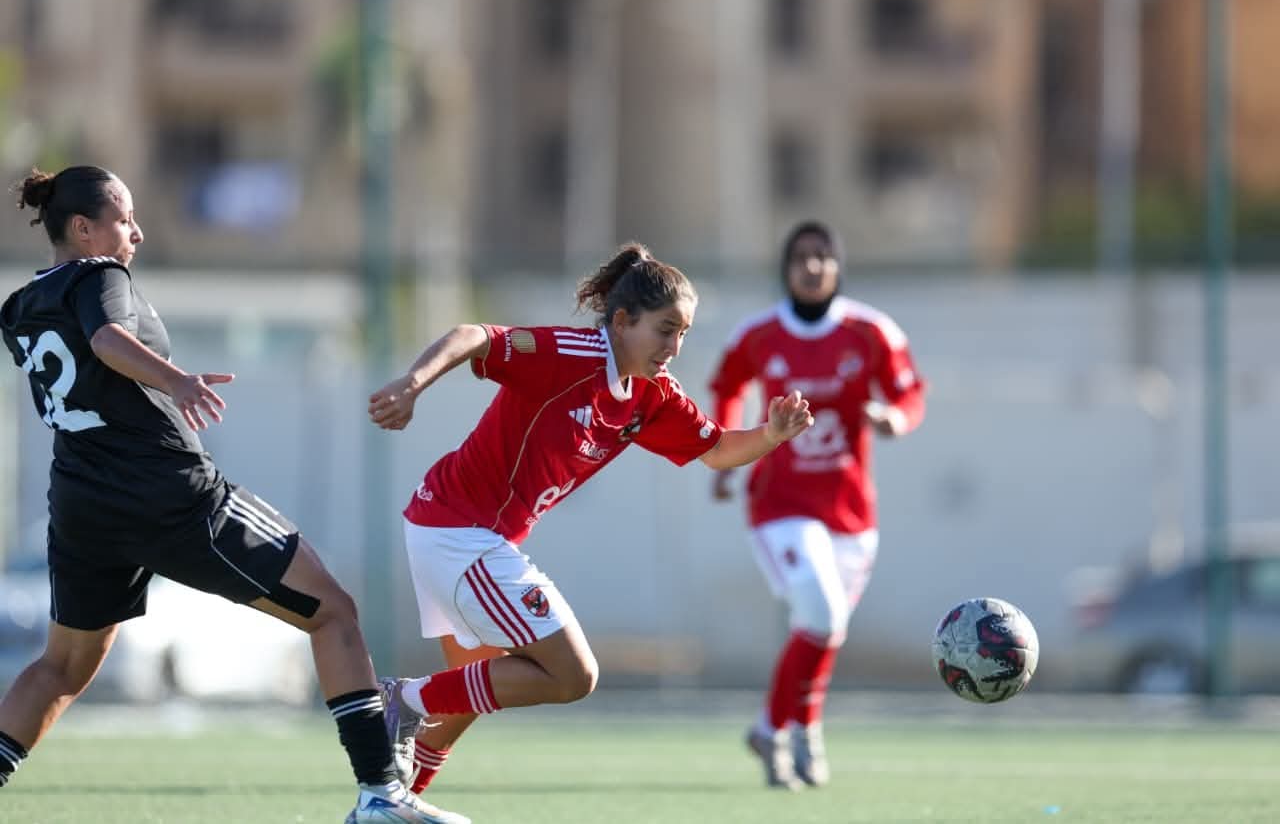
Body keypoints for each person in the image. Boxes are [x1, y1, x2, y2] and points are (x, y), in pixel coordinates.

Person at [0, 166, 468, 824]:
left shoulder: (19, 306)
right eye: (123, 219)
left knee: (60, 668)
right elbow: (106, 340)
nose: (136, 232)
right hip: (167, 493)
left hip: (82, 503)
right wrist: (177, 380)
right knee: (333, 612)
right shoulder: (99, 274)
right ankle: (381, 795)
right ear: (82, 229)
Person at [367, 242, 815, 795]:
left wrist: (771, 434)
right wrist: (412, 384)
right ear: (622, 322)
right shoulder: (568, 355)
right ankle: (401, 700)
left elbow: (718, 448)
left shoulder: (651, 395)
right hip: (456, 532)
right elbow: (473, 335)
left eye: (683, 333)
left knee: (464, 697)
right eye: (665, 329)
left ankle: (393, 800)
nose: (674, 346)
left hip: (469, 536)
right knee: (573, 674)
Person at [707, 220, 926, 790]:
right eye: (801, 256)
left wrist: (894, 417)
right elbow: (727, 387)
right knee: (822, 615)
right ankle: (791, 732)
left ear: (837, 267)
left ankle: (782, 729)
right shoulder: (759, 334)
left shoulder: (871, 331)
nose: (812, 266)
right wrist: (727, 451)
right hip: (781, 504)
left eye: (822, 256)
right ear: (785, 268)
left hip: (851, 511)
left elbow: (909, 391)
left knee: (824, 629)